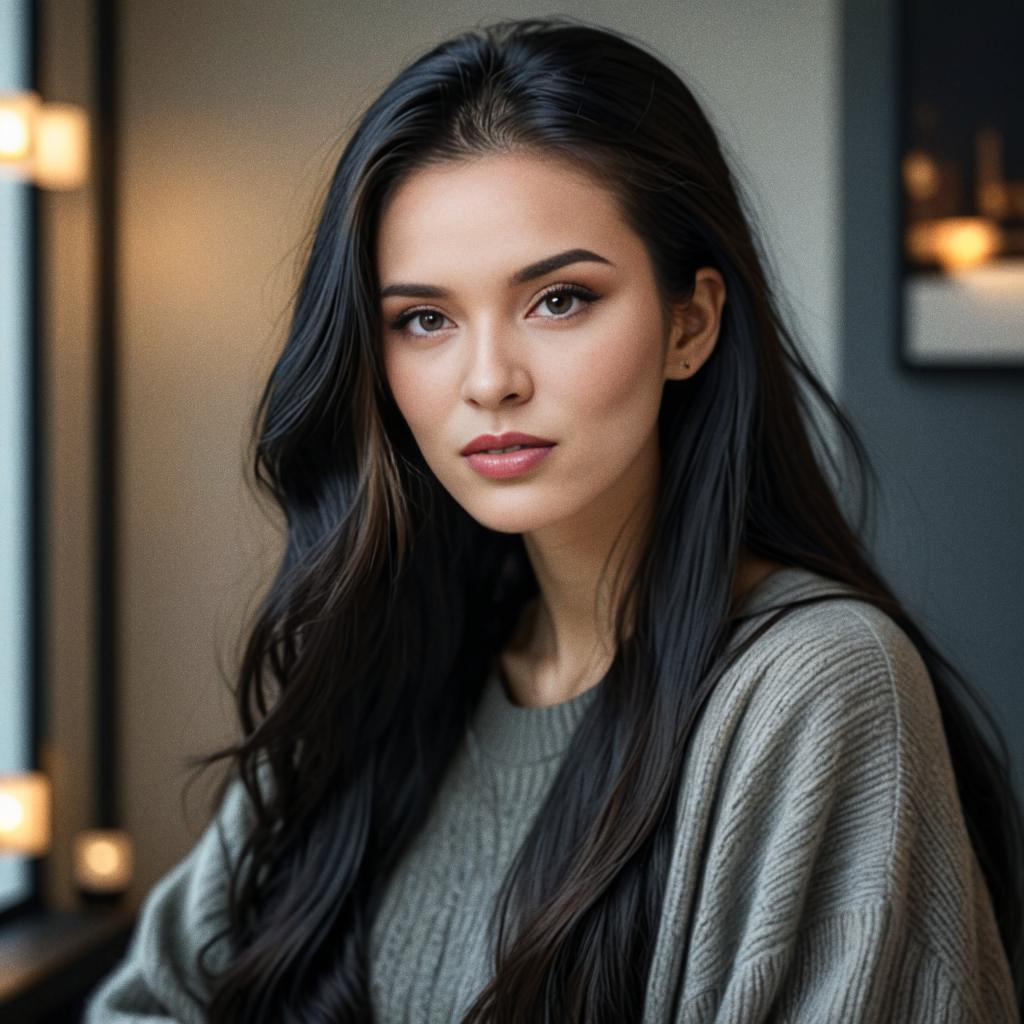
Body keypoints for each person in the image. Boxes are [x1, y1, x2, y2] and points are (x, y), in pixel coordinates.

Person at [85, 16, 1022, 1023]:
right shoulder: (379, 659)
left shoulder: (812, 685)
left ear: (689, 324)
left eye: (560, 299)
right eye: (424, 319)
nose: (489, 380)